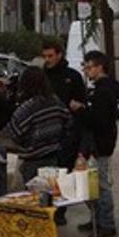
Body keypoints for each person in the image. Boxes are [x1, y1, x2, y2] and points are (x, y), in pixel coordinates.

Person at [71, 51, 119, 237]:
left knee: (101, 185)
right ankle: (96, 219)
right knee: (91, 184)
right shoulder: (98, 89)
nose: (86, 70)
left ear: (100, 67)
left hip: (101, 143)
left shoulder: (103, 91)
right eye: (85, 67)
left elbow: (98, 120)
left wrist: (81, 110)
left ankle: (106, 224)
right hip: (96, 143)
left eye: (89, 67)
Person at [5, 67, 72, 192]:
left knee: (34, 200)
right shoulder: (56, 101)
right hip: (53, 157)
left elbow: (13, 133)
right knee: (52, 197)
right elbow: (68, 123)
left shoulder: (27, 108)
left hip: (32, 160)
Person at [41, 40, 86, 224]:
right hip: (46, 132)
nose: (48, 60)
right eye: (45, 56)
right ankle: (48, 207)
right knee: (47, 172)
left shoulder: (72, 76)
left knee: (63, 172)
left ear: (60, 54)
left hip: (68, 132)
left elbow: (81, 101)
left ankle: (60, 211)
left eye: (50, 56)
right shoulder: (42, 76)